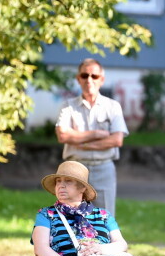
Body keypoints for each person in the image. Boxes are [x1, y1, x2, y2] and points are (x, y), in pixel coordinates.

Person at [55, 58, 128, 216]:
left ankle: (104, 242)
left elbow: (117, 140)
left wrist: (82, 142)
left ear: (101, 80)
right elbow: (62, 135)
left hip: (103, 168)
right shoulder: (67, 106)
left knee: (105, 217)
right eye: (84, 75)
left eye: (94, 76)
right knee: (71, 216)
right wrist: (95, 135)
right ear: (78, 78)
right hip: (74, 169)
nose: (89, 80)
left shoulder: (112, 106)